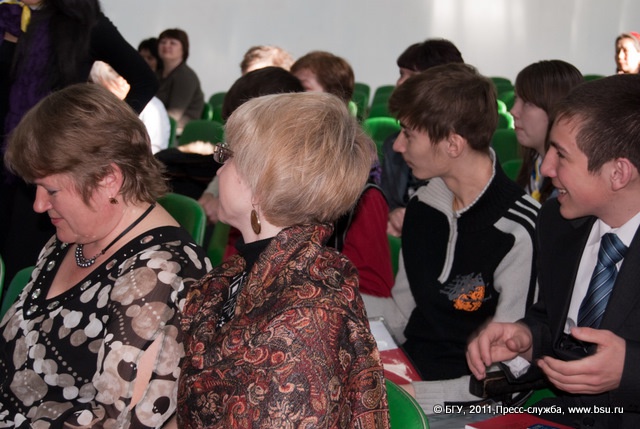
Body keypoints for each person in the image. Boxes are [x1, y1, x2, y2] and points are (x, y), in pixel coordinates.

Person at [0, 83, 210, 428]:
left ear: (108, 179)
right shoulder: (75, 235)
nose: (38, 204)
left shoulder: (161, 276)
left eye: (51, 190)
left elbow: (116, 422)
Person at [178, 92, 390, 428]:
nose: (219, 168)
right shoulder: (239, 271)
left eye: (228, 156)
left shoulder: (306, 320)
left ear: (261, 183)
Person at [467, 73, 640, 428]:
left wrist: (630, 371)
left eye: (561, 155)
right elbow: (553, 322)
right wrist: (526, 339)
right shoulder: (557, 222)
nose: (546, 168)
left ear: (618, 173)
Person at [387, 63, 540, 413]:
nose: (397, 145)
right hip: (411, 378)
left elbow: (504, 378)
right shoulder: (423, 206)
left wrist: (410, 399)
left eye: (408, 134)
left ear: (453, 144)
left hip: (472, 404)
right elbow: (401, 314)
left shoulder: (518, 231)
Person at [0, 0, 158, 292]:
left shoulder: (84, 22)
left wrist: (97, 136)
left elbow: (145, 80)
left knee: (19, 271)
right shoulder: (7, 16)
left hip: (46, 169)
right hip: (7, 160)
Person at [291, 50, 393, 311]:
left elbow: (371, 288)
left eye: (303, 88)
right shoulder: (290, 167)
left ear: (334, 99)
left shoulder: (363, 193)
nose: (292, 98)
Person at [380, 38, 465, 237]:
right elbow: (386, 198)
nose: (400, 82)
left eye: (411, 76)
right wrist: (393, 214)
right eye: (401, 74)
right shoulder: (393, 145)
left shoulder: (463, 150)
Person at [511, 59, 584, 203]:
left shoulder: (570, 188)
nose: (513, 111)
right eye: (516, 99)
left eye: (528, 103)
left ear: (557, 110)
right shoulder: (535, 163)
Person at [90, 60, 171, 154]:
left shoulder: (151, 108)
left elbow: (151, 152)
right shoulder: (109, 105)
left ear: (120, 82)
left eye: (102, 87)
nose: (101, 93)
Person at [155, 28, 204, 132]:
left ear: (183, 49)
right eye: (163, 42)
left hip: (179, 131)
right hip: (161, 125)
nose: (166, 46)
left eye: (173, 43)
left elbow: (174, 115)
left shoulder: (185, 76)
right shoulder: (157, 74)